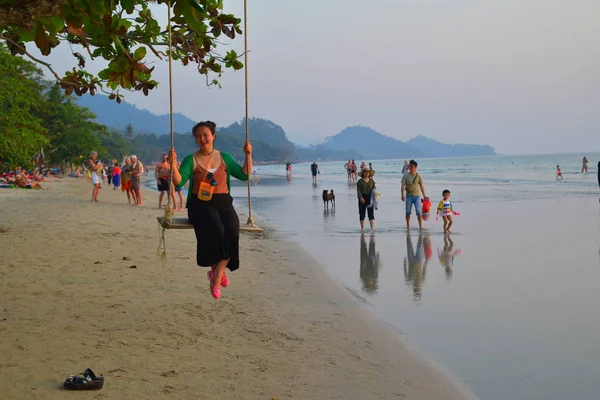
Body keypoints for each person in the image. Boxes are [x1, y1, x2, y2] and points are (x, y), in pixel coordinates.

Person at [169, 121, 253, 300]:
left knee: (232, 229)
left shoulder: (225, 158)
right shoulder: (190, 159)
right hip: (199, 204)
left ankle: (217, 271)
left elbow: (244, 174)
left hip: (223, 202)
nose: (202, 139)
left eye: (205, 134)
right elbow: (178, 182)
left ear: (213, 136)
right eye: (198, 136)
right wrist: (172, 165)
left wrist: (248, 155)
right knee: (216, 227)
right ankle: (216, 279)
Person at [401, 160, 427, 229]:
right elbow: (402, 186)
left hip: (417, 196)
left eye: (412, 166)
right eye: (410, 166)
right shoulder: (405, 176)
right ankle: (408, 225)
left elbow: (421, 186)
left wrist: (424, 195)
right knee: (408, 211)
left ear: (416, 167)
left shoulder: (419, 176)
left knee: (418, 211)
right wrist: (402, 195)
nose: (410, 167)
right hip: (408, 196)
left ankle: (420, 226)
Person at [357, 167, 376, 232]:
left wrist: (375, 195)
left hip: (370, 198)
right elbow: (358, 191)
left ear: (370, 173)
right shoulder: (359, 181)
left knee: (371, 214)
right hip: (362, 198)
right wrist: (360, 197)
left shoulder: (372, 181)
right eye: (365, 172)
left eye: (368, 172)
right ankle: (362, 228)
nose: (367, 173)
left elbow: (374, 189)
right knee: (362, 214)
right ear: (363, 173)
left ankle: (372, 228)